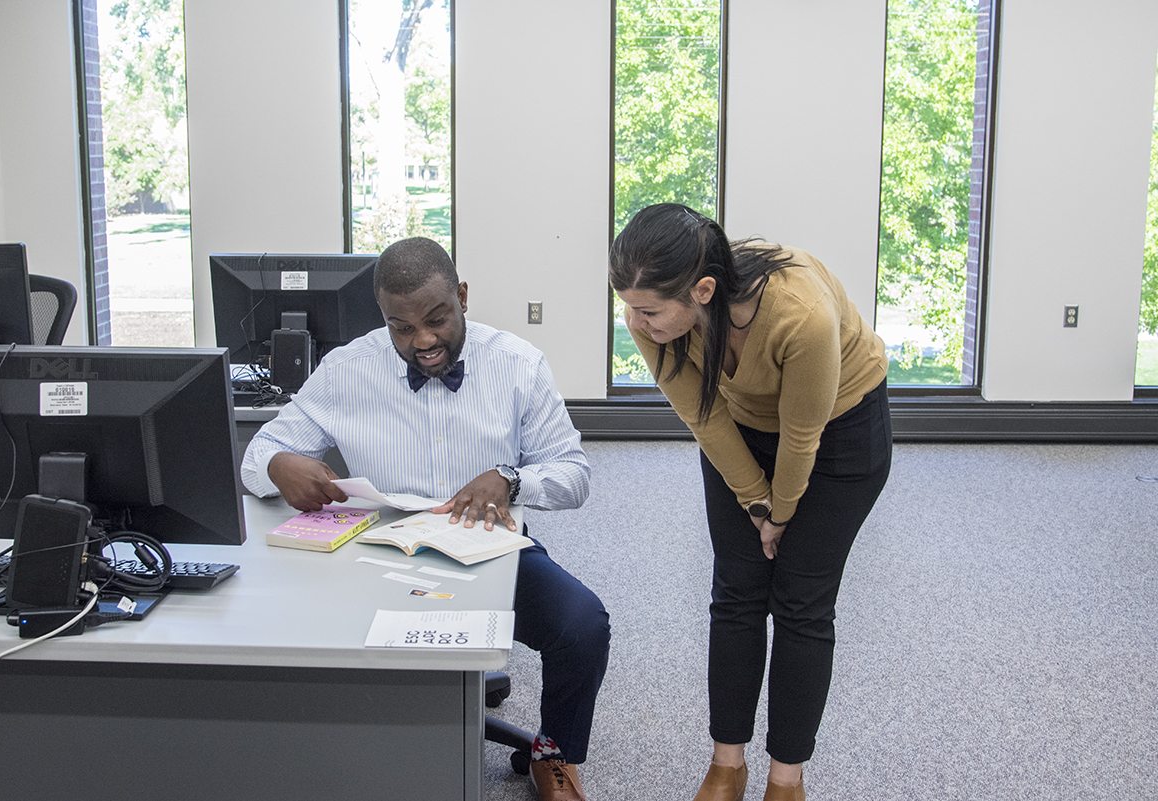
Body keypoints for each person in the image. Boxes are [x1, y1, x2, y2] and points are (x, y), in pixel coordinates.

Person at [242, 236, 610, 801]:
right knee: (288, 626)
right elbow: (255, 457)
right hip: (378, 549)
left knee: (583, 626)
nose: (424, 341)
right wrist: (279, 462)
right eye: (402, 328)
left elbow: (574, 477)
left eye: (437, 320)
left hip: (489, 548)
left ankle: (553, 754)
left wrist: (511, 480)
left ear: (463, 296)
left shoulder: (518, 365)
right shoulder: (347, 369)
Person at [609, 204, 892, 801]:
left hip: (839, 434)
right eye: (629, 306)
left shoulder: (801, 316)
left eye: (649, 311)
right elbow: (704, 416)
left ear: (704, 290)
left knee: (802, 602)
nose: (635, 322)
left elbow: (802, 436)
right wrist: (757, 505)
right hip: (740, 433)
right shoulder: (650, 312)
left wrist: (781, 512)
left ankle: (786, 779)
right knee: (736, 591)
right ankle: (726, 765)